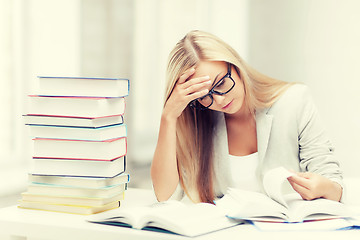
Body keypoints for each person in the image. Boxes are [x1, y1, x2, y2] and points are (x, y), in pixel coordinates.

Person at [151, 30, 343, 204]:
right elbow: (164, 196)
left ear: (235, 66)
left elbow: (334, 187)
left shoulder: (294, 101)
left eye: (221, 83)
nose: (219, 99)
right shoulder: (199, 122)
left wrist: (324, 187)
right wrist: (168, 117)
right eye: (203, 96)